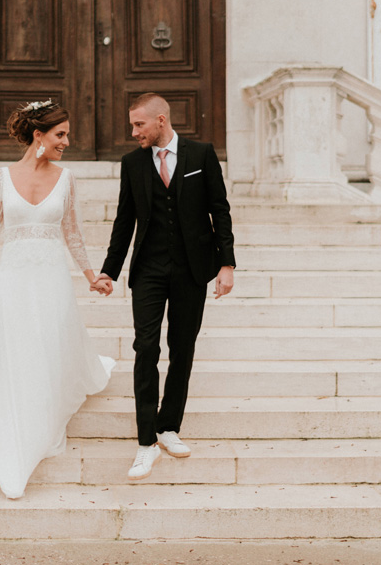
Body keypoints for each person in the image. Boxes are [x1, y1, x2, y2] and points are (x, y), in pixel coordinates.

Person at [0, 100, 115, 500]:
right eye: (61, 134)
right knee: (17, 344)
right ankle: (16, 417)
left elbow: (73, 233)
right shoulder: (2, 177)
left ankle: (46, 409)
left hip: (51, 277)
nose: (68, 141)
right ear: (38, 136)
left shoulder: (66, 178)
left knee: (49, 341)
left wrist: (90, 276)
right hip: (15, 277)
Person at [92, 93, 236, 481]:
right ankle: (145, 443)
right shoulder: (132, 164)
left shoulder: (201, 154)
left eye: (139, 125)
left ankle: (168, 427)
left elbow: (218, 209)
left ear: (160, 120)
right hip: (150, 270)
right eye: (132, 125)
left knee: (183, 347)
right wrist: (109, 271)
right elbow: (124, 222)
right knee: (146, 348)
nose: (133, 132)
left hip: (192, 268)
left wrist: (226, 264)